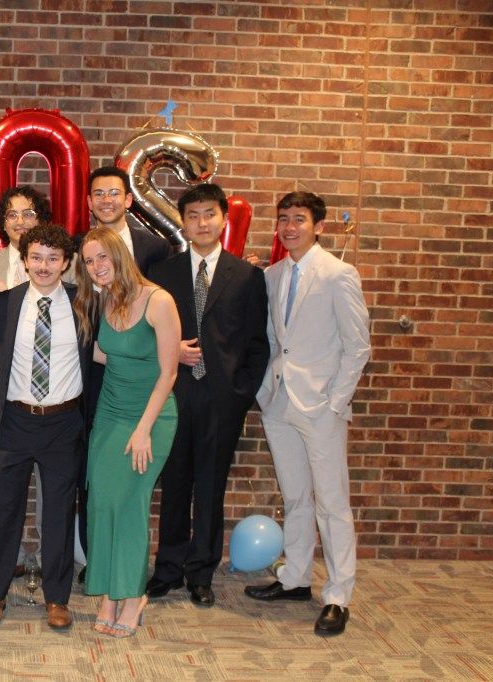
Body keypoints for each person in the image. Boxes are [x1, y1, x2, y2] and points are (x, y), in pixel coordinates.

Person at [245, 191, 371, 637]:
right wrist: (265, 391)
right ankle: (295, 578)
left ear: (318, 226)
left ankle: (338, 595)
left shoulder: (339, 274)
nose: (289, 227)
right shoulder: (273, 275)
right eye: (283, 219)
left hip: (321, 407)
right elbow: (270, 338)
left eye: (299, 219)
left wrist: (335, 402)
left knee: (332, 504)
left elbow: (358, 346)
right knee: (296, 497)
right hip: (279, 402)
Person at [145, 183, 270, 607]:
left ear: (223, 219)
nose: (202, 223)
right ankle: (168, 569)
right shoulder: (162, 273)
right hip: (174, 394)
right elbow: (147, 333)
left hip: (222, 400)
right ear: (183, 222)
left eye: (209, 214)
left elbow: (257, 343)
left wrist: (240, 394)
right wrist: (171, 351)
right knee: (174, 486)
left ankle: (201, 573)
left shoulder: (247, 276)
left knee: (211, 489)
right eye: (193, 215)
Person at [0, 224, 94, 631]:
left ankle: (57, 598)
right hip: (14, 419)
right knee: (3, 510)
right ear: (25, 261)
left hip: (63, 422)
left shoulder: (84, 302)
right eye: (36, 257)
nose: (44, 266)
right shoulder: (3, 303)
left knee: (59, 513)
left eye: (53, 258)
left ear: (66, 263)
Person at [74, 227, 180, 638]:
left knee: (130, 504)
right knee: (102, 503)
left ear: (119, 254)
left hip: (150, 418)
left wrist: (143, 430)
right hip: (109, 415)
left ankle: (133, 595)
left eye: (102, 257)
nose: (96, 266)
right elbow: (104, 353)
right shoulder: (104, 300)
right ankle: (108, 593)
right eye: (89, 261)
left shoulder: (158, 300)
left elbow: (169, 373)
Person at [0, 185, 55, 580]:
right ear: (2, 223)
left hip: (49, 390)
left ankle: (49, 558)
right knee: (3, 480)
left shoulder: (61, 264)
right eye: (12, 214)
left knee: (49, 482)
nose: (20, 221)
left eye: (28, 213)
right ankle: (5, 561)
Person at [86, 166, 171, 276]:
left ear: (128, 200)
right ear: (90, 202)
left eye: (114, 193)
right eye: (98, 194)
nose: (106, 200)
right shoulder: (76, 246)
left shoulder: (157, 248)